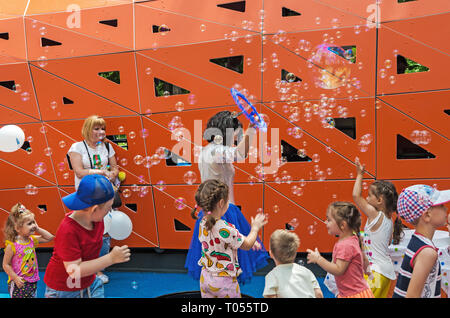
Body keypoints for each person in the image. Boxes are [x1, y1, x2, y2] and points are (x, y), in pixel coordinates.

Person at [185, 110, 269, 284]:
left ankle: (217, 291)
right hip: (224, 211)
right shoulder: (216, 151)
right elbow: (240, 154)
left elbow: (239, 154)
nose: (237, 137)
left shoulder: (209, 150)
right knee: (229, 260)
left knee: (216, 260)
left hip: (212, 209)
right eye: (236, 132)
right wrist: (252, 129)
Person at [43, 174, 131, 298]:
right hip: (64, 289)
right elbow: (74, 271)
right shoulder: (68, 230)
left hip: (89, 281)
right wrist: (111, 259)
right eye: (108, 208)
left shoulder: (98, 220)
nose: (110, 211)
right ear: (94, 209)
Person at [191, 179, 267, 298]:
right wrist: (255, 228)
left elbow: (221, 240)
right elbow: (247, 245)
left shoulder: (203, 223)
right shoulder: (225, 228)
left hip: (205, 279)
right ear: (221, 203)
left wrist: (247, 240)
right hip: (224, 282)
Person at [67, 115, 120, 284]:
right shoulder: (77, 147)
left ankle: (98, 269)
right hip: (86, 195)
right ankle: (86, 268)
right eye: (96, 128)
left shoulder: (107, 146)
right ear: (87, 129)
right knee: (87, 232)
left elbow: (115, 167)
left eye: (102, 128)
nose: (101, 132)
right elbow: (79, 172)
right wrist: (101, 172)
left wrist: (112, 174)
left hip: (105, 193)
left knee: (104, 232)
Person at [352, 157, 403, 297]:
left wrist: (360, 175)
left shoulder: (376, 214)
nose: (366, 199)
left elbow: (356, 196)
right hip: (385, 273)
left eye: (369, 196)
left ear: (380, 200)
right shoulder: (389, 220)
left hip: (375, 273)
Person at [306, 202, 374, 298]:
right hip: (358, 292)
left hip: (353, 295)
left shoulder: (345, 245)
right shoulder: (353, 238)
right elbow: (364, 259)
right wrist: (368, 272)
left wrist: (318, 259)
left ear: (342, 225)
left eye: (329, 220)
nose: (325, 222)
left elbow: (338, 270)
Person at [392, 184, 449, 298]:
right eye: (441, 205)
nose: (446, 208)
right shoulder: (427, 253)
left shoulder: (418, 242)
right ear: (427, 215)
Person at [2, 203, 54, 298]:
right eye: (30, 224)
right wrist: (15, 277)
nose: (33, 225)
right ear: (18, 228)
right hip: (19, 283)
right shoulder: (12, 245)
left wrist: (37, 228)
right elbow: (5, 264)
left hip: (33, 281)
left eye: (34, 222)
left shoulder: (32, 240)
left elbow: (49, 237)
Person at [263, 229, 323, 298]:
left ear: (271, 254)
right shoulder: (306, 271)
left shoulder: (272, 275)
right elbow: (319, 294)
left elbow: (270, 296)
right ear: (295, 253)